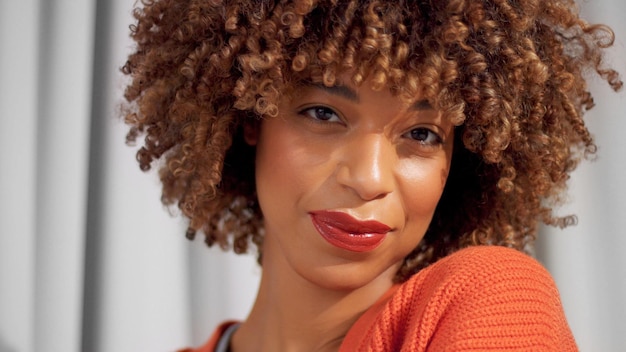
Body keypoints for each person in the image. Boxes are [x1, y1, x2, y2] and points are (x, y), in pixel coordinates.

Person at [121, 0, 622, 351]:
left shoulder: (493, 300)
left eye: (422, 135)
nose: (369, 177)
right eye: (323, 114)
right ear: (252, 116)